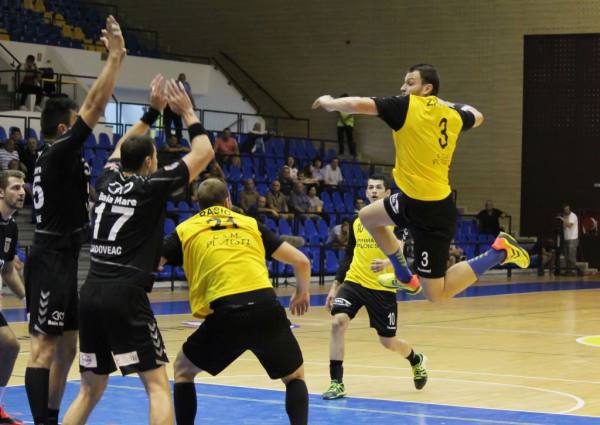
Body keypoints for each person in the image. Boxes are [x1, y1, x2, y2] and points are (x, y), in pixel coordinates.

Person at [61, 77, 214, 425]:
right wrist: (187, 112)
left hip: (91, 293)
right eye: (155, 157)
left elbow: (120, 146)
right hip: (126, 295)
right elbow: (204, 153)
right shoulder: (150, 186)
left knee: (88, 390)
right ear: (148, 161)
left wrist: (152, 112)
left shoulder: (106, 179)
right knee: (157, 387)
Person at [312, 63, 529, 302]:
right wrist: (444, 103)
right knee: (367, 216)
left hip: (433, 212)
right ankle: (404, 275)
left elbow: (358, 104)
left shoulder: (406, 106)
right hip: (412, 199)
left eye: (410, 83)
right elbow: (477, 116)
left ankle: (500, 251)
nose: (403, 87)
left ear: (426, 88)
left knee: (435, 294)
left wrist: (330, 102)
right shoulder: (452, 114)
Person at [24, 16, 126, 425]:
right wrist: (114, 58)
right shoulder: (58, 151)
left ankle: (50, 415)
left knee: (68, 344)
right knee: (43, 349)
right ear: (64, 128)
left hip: (65, 255)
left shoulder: (60, 157)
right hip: (50, 256)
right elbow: (96, 106)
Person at [161, 178, 311, 425]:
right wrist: (302, 292)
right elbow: (302, 261)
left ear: (198, 204)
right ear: (228, 201)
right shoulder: (250, 224)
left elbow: (154, 263)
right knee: (294, 376)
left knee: (183, 370)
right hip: (266, 307)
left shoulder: (186, 229)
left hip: (227, 312)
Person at [322, 174, 427, 400]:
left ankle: (415, 359)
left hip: (382, 288)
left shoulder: (398, 222)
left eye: (378, 187)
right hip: (354, 281)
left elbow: (400, 251)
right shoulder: (357, 220)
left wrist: (388, 262)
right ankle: (336, 382)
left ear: (387, 193)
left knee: (388, 342)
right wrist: (335, 286)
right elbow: (349, 255)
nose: (373, 191)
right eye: (370, 187)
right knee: (337, 323)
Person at [0, 170, 27, 425]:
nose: (22, 192)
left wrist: (28, 301)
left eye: (22, 187)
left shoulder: (11, 227)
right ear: (1, 192)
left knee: (10, 345)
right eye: (15, 188)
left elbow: (8, 271)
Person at [163, 73, 195, 141]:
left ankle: (179, 139)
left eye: (183, 79)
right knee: (167, 123)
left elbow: (190, 95)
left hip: (177, 107)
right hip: (169, 105)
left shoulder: (186, 85)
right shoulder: (174, 84)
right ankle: (168, 138)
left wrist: (194, 105)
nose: (182, 80)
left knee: (178, 123)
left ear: (185, 79)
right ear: (178, 79)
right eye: (181, 79)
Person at [557, 204, 580, 275]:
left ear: (569, 209)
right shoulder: (565, 216)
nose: (566, 211)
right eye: (565, 210)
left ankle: (573, 271)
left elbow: (569, 225)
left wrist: (562, 219)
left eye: (567, 209)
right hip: (566, 238)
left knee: (571, 256)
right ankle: (568, 270)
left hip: (572, 238)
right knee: (566, 256)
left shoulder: (573, 216)